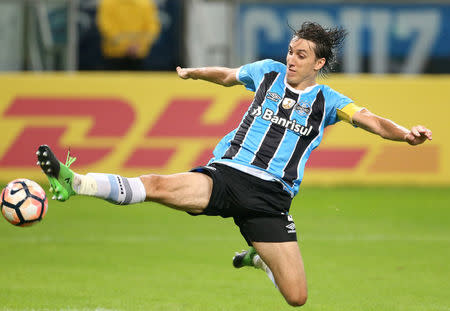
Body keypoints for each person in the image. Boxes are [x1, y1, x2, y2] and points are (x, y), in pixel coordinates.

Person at [36, 22, 432, 307]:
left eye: (301, 54)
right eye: (291, 50)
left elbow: (374, 122)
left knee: (297, 298)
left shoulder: (330, 101)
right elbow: (226, 76)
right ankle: (75, 183)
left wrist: (406, 134)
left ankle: (258, 257)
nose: (291, 59)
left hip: (271, 198)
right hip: (227, 175)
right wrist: (193, 74)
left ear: (319, 63)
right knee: (157, 185)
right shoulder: (267, 73)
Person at [97, 0, 161, 70]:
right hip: (114, 55)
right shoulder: (108, 3)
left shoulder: (146, 4)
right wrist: (134, 46)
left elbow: (152, 27)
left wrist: (137, 45)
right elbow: (105, 27)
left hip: (138, 55)